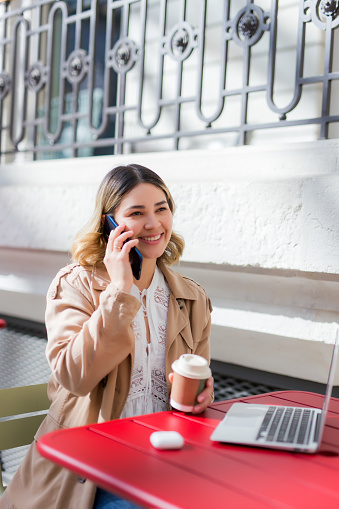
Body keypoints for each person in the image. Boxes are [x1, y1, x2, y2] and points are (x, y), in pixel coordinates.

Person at [0, 164, 213, 509]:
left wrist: (203, 391)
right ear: (109, 223)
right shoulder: (75, 285)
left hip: (167, 458)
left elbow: (194, 376)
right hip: (92, 470)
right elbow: (74, 376)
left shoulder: (192, 297)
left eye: (162, 208)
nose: (153, 223)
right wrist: (119, 289)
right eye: (136, 213)